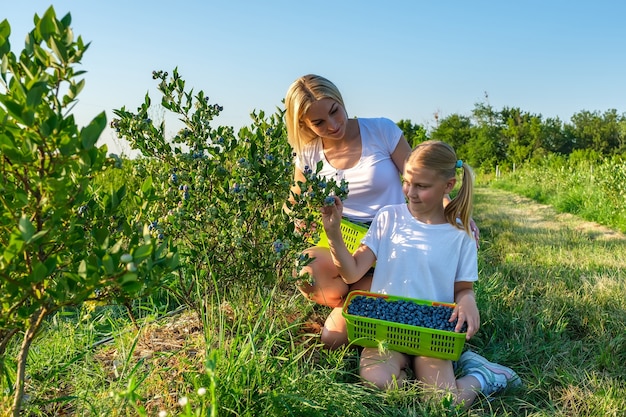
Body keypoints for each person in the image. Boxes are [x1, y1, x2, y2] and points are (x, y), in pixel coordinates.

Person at [284, 74, 480, 349]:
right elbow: (296, 200)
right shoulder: (307, 153)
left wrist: (456, 211)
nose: (333, 124)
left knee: (335, 338)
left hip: (391, 237)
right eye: (318, 122)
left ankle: (366, 298)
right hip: (342, 241)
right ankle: (368, 292)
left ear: (340, 101)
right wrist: (296, 220)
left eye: (334, 111)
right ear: (304, 124)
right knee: (305, 272)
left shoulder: (381, 131)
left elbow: (420, 177)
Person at [319, 140, 520, 407]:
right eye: (407, 182)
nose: (410, 192)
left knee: (443, 403)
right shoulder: (388, 217)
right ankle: (417, 377)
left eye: (422, 186)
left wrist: (467, 301)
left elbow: (463, 288)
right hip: (385, 327)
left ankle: (483, 376)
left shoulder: (461, 234)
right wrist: (333, 234)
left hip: (432, 334)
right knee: (376, 381)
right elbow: (353, 272)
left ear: (448, 186)